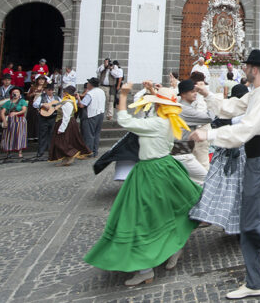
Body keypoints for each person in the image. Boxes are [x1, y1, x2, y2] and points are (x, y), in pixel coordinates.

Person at [190, 49, 260, 299]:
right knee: (246, 223)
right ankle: (254, 282)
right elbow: (230, 107)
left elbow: (245, 130)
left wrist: (208, 135)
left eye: (245, 67)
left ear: (253, 69)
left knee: (250, 223)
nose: (243, 70)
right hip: (256, 160)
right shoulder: (255, 94)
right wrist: (207, 93)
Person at [84, 83, 201, 286]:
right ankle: (173, 247)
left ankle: (146, 269)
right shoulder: (170, 119)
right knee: (165, 212)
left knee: (139, 218)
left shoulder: (157, 123)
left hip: (151, 171)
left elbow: (124, 119)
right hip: (166, 167)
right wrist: (155, 94)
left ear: (158, 106)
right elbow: (160, 108)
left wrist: (123, 95)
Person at [189, 83, 260, 234]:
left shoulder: (237, 114)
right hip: (240, 155)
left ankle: (232, 223)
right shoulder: (247, 112)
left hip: (232, 155)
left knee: (229, 192)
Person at [173, 79, 212, 184]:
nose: (195, 94)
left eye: (195, 91)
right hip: (182, 154)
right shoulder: (185, 109)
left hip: (181, 152)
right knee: (206, 180)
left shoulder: (182, 107)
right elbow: (208, 118)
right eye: (192, 91)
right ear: (183, 94)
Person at [49, 86, 91, 165]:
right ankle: (65, 158)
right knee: (65, 141)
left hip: (66, 123)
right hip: (66, 122)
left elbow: (66, 117)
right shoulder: (67, 101)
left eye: (64, 92)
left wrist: (61, 129)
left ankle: (71, 154)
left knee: (61, 142)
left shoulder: (68, 102)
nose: (63, 93)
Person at [78, 77, 106, 157]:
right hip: (100, 113)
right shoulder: (101, 91)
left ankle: (88, 152)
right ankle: (95, 151)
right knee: (96, 134)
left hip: (91, 114)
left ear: (91, 85)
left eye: (88, 83)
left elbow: (82, 105)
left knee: (88, 134)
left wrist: (78, 98)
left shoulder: (90, 93)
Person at [33, 82, 61, 159]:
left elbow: (61, 104)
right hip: (43, 117)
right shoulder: (41, 97)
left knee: (52, 134)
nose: (50, 91)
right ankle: (41, 151)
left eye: (51, 90)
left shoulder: (57, 98)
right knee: (42, 134)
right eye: (49, 90)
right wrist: (42, 105)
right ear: (45, 90)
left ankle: (51, 151)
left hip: (53, 117)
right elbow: (34, 104)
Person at [0, 88, 28, 158]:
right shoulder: (8, 102)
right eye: (14, 92)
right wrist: (4, 121)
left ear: (19, 94)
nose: (15, 93)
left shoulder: (22, 101)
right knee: (8, 135)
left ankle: (20, 151)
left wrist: (16, 113)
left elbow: (24, 110)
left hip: (19, 120)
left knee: (19, 135)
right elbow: (2, 112)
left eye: (17, 92)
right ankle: (8, 151)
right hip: (10, 120)